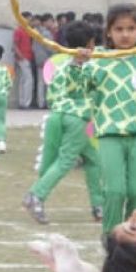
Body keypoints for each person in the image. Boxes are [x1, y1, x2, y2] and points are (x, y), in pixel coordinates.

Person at [70, 4, 136, 234]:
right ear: (108, 32)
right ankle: (111, 239)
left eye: (131, 28)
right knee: (114, 191)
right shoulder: (98, 61)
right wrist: (77, 64)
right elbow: (75, 90)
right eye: (119, 29)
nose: (125, 34)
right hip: (110, 135)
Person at [23, 21, 104, 225]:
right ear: (90, 43)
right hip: (76, 117)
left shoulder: (61, 62)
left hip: (56, 115)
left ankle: (98, 205)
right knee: (66, 160)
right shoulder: (87, 64)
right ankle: (36, 195)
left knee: (91, 159)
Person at [13, 13, 36, 109]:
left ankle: (22, 102)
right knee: (28, 80)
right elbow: (14, 44)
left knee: (23, 80)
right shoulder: (19, 31)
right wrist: (20, 55)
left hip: (26, 57)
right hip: (23, 58)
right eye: (29, 19)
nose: (30, 21)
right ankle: (26, 103)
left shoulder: (27, 30)